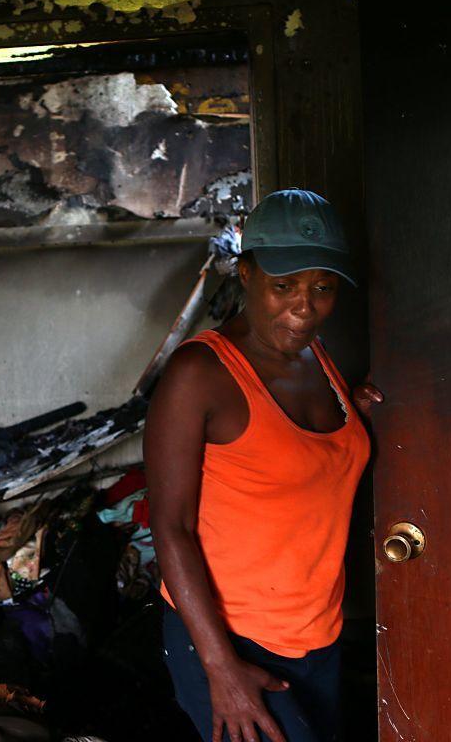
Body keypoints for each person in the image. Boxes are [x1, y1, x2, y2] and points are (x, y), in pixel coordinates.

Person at [144, 189, 382, 742]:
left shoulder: (317, 357)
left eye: (322, 287)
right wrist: (221, 668)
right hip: (230, 641)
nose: (304, 307)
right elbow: (171, 527)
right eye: (284, 286)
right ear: (246, 273)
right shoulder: (200, 375)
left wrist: (360, 417)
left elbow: (303, 466)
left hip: (316, 636)